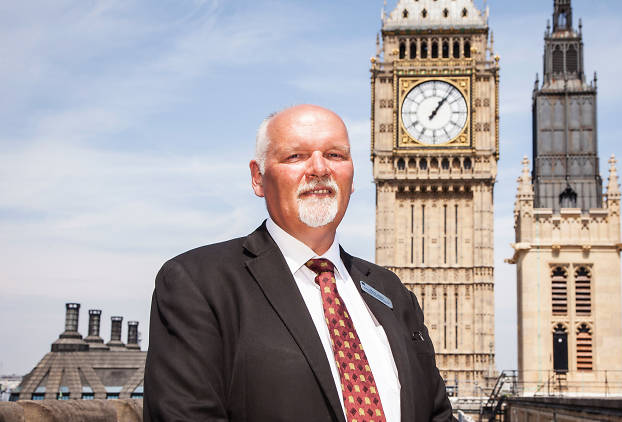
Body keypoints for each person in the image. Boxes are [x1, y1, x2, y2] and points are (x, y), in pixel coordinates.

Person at [144, 105, 452, 421]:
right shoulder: (198, 283)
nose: (319, 168)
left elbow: (436, 413)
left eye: (335, 155)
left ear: (353, 175)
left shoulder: (390, 292)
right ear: (258, 177)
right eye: (296, 156)